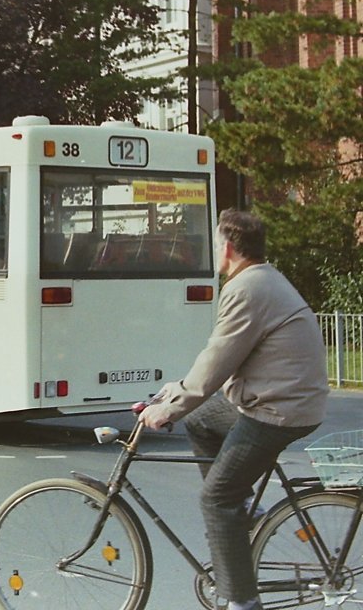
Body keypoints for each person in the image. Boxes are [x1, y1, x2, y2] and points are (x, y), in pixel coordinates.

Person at [139, 209, 328, 610]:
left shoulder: (247, 288)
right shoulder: (264, 279)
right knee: (201, 419)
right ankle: (242, 507)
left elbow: (217, 360)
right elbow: (221, 360)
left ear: (227, 248)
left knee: (215, 500)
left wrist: (167, 409)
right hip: (284, 399)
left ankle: (242, 601)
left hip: (278, 410)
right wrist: (176, 397)